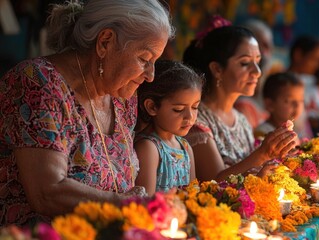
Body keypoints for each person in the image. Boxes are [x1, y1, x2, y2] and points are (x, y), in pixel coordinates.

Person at [0, 0, 173, 226]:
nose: (150, 75)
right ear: (105, 42)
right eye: (144, 59)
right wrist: (127, 205)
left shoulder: (123, 98)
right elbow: (47, 192)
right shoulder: (37, 83)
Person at [183, 24, 297, 182]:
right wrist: (263, 154)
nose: (257, 71)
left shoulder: (241, 119)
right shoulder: (195, 120)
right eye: (244, 63)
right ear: (217, 69)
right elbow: (213, 183)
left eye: (258, 61)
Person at [134, 60, 201, 196]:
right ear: (152, 107)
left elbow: (194, 196)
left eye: (195, 107)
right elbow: (147, 202)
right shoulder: (148, 148)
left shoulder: (185, 148)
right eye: (178, 109)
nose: (190, 116)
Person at [234, 19, 272, 129]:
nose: (267, 52)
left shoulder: (267, 82)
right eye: (245, 62)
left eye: (268, 46)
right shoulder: (241, 105)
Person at [287, 35, 319, 139]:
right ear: (298, 55)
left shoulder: (308, 82)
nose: (318, 65)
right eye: (314, 59)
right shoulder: (281, 85)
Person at [255, 72, 304, 141]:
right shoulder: (262, 134)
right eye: (288, 101)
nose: (297, 105)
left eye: (301, 100)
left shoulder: (294, 129)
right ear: (270, 105)